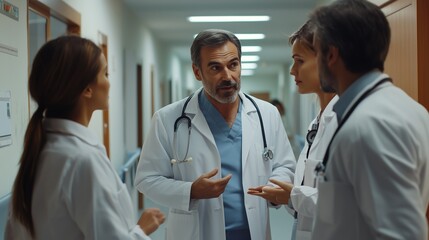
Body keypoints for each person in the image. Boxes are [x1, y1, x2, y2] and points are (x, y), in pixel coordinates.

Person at [134, 29, 296, 240]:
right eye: (215, 68)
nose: (227, 76)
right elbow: (147, 179)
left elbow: (285, 165)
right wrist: (191, 190)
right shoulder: (168, 119)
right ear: (197, 72)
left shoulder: (267, 114)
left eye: (233, 65)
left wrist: (274, 188)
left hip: (252, 233)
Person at [5, 36, 165, 240]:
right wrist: (140, 230)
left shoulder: (40, 150)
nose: (109, 82)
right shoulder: (82, 159)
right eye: (105, 74)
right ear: (87, 89)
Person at [309, 0, 429, 239]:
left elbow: (400, 233)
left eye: (316, 52)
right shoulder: (409, 109)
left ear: (331, 55)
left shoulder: (370, 125)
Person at [248, 20, 338, 240]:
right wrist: (287, 196)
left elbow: (350, 205)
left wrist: (294, 195)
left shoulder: (347, 122)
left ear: (329, 60)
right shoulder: (318, 121)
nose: (292, 70)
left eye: (300, 61)